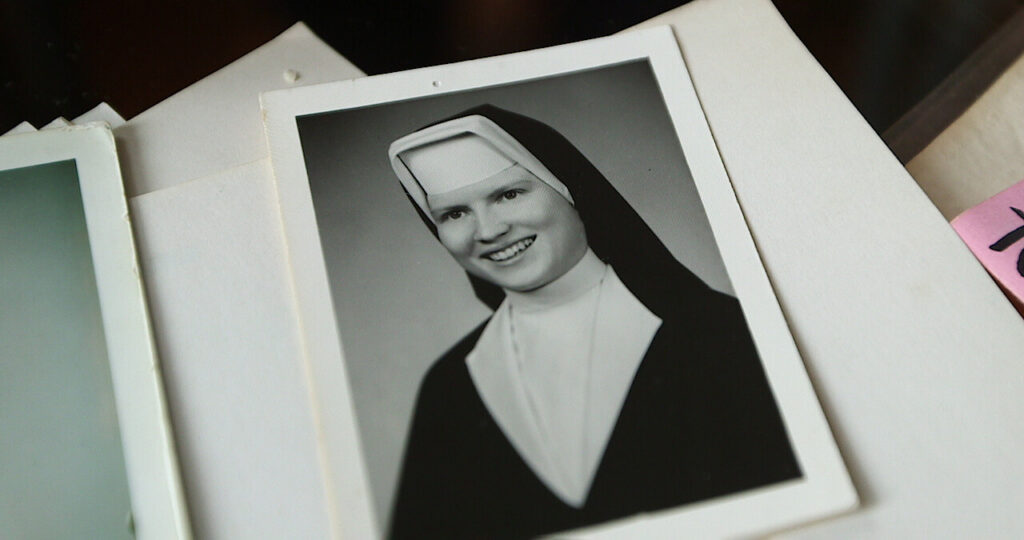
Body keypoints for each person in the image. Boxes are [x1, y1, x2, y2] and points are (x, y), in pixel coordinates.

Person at [387, 105, 800, 539]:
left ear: (570, 190)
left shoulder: (722, 329)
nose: (488, 230)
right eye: (454, 214)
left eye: (508, 194)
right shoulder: (448, 385)